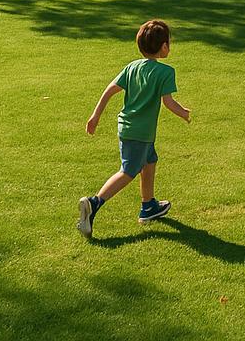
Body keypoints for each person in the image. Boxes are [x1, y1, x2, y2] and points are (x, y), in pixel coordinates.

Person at [77, 19, 191, 238]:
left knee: (150, 160)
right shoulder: (165, 72)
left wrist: (95, 116)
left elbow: (110, 89)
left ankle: (148, 206)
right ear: (164, 47)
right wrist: (184, 113)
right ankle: (93, 203)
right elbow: (168, 102)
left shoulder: (131, 67)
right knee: (128, 171)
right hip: (140, 133)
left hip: (129, 129)